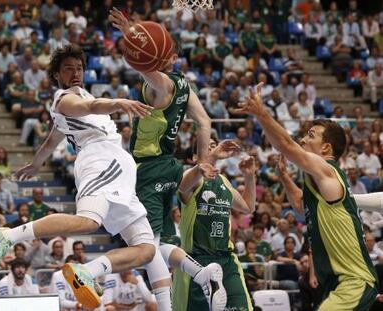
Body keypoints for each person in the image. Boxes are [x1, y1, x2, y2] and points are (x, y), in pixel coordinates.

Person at [0, 45, 156, 309]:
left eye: (79, 68)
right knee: (88, 222)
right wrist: (118, 102)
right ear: (56, 75)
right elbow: (92, 105)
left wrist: (36, 164)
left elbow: (52, 140)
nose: (75, 73)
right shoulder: (64, 100)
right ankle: (7, 237)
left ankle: (90, 271)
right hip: (99, 161)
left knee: (146, 249)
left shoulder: (74, 102)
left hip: (121, 172)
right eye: (68, 69)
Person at [109, 9, 225, 311]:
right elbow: (205, 122)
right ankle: (202, 275)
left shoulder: (164, 86)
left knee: (145, 246)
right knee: (158, 243)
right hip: (170, 167)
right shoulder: (184, 85)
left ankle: (196, 281)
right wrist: (202, 161)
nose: (171, 55)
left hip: (149, 167)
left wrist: (131, 34)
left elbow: (140, 60)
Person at [237, 84, 378, 310]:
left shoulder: (328, 170)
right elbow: (303, 207)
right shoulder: (320, 183)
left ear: (326, 149)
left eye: (311, 135)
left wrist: (261, 113)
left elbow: (286, 145)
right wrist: (284, 177)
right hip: (336, 282)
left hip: (353, 280)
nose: (303, 140)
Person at [164, 139, 256, 311]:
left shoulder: (224, 182)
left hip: (226, 260)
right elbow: (182, 187)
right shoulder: (193, 180)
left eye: (214, 145)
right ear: (193, 157)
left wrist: (249, 176)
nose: (213, 148)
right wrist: (212, 157)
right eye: (207, 147)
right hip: (195, 263)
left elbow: (248, 207)